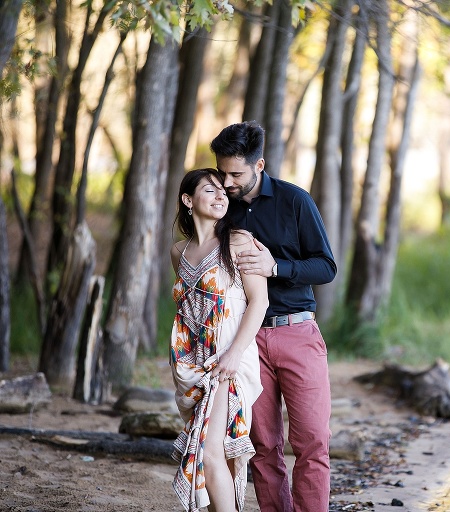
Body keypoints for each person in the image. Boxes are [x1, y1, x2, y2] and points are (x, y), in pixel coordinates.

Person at [210, 121, 337, 512]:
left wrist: (275, 266)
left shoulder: (295, 201)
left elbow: (326, 267)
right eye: (222, 173)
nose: (227, 182)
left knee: (312, 440)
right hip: (247, 341)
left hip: (297, 331)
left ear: (259, 165)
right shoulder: (222, 208)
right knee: (263, 445)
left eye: (236, 174)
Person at [168, 168, 268, 512]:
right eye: (209, 191)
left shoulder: (238, 241)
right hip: (193, 365)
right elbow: (190, 310)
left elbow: (260, 301)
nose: (221, 195)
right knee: (217, 457)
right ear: (188, 200)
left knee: (209, 453)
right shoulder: (178, 252)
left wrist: (233, 355)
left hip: (228, 360)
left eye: (222, 191)